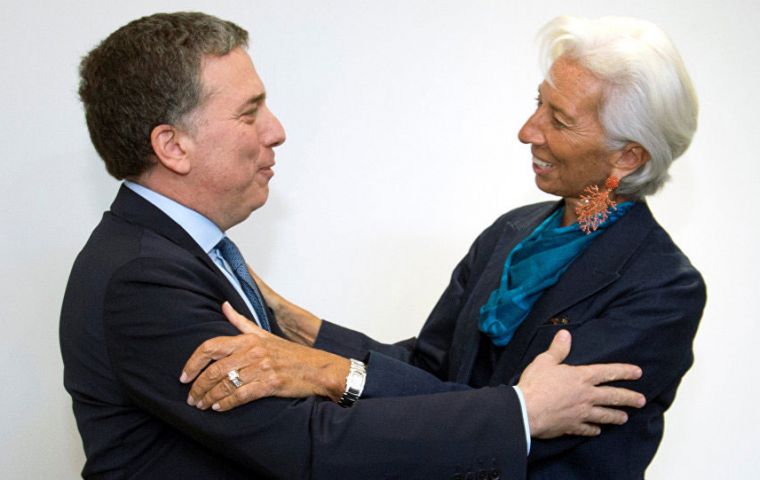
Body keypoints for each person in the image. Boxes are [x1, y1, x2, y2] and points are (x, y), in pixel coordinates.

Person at [60, 12, 645, 480]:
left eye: (559, 118)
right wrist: (521, 412)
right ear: (173, 147)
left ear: (629, 156)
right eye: (248, 113)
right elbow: (310, 444)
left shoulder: (178, 259)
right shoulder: (144, 280)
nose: (276, 130)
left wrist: (310, 342)